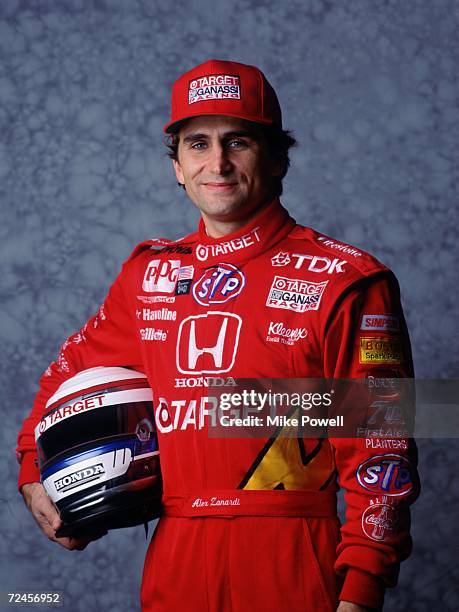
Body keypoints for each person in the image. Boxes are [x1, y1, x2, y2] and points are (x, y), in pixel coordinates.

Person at [17, 59, 419, 612]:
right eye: (198, 144)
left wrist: (362, 588)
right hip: (176, 555)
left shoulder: (347, 282)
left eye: (238, 142)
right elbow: (67, 376)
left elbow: (384, 449)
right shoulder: (148, 275)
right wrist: (33, 473)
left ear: (278, 158)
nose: (218, 164)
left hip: (294, 561)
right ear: (177, 166)